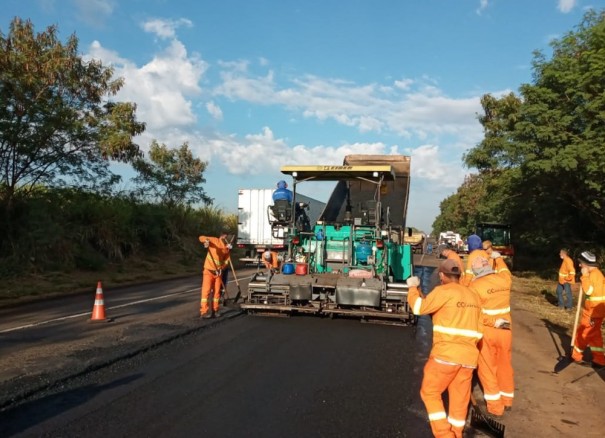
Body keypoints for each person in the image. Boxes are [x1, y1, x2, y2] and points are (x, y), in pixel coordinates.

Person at [406, 259, 482, 438]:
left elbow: (419, 308)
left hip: (445, 355)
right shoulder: (473, 295)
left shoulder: (443, 291)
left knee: (430, 392)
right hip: (469, 357)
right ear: (459, 275)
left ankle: (444, 434)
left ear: (441, 275)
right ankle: (456, 432)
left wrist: (412, 288)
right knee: (459, 400)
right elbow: (479, 328)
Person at [468, 252, 514, 416]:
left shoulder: (475, 287)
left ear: (475, 271)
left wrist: (491, 322)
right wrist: (498, 257)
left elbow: (475, 313)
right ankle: (507, 399)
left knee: (487, 368)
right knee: (504, 365)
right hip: (506, 330)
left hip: (487, 332)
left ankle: (496, 406)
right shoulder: (505, 279)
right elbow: (504, 269)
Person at [571, 251, 605, 367]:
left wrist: (584, 276)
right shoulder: (596, 274)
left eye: (581, 263)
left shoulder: (594, 275)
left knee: (583, 334)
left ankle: (576, 356)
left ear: (586, 264)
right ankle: (599, 360)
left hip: (593, 312)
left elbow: (589, 291)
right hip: (595, 311)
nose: (580, 265)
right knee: (594, 336)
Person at [198, 230, 232, 318]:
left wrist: (222, 268)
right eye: (227, 237)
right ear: (223, 236)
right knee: (206, 292)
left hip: (218, 272)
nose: (228, 239)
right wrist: (206, 241)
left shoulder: (226, 248)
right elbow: (200, 237)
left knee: (217, 293)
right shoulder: (214, 240)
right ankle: (204, 312)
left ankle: (215, 310)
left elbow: (226, 260)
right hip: (209, 271)